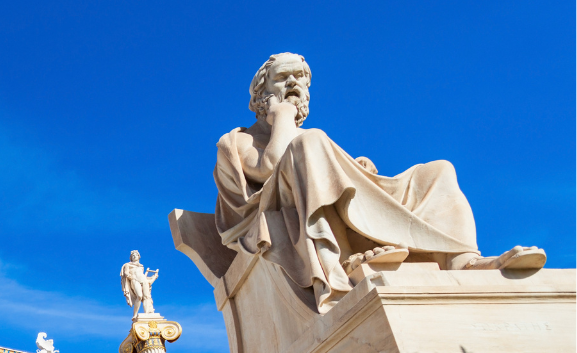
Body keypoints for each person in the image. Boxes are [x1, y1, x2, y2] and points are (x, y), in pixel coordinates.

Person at [215, 53, 545, 311]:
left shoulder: (306, 139)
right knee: (309, 142)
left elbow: (315, 160)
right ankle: (343, 263)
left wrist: (356, 169)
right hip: (281, 215)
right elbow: (268, 166)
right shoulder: (239, 140)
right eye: (283, 77)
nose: (294, 84)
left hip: (315, 187)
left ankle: (463, 261)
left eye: (300, 77)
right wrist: (282, 116)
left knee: (437, 172)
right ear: (261, 92)